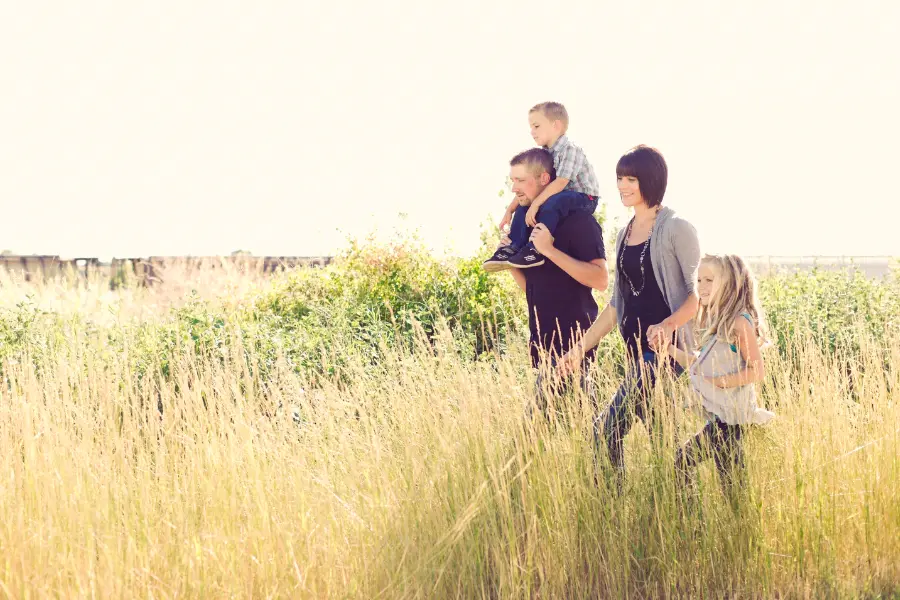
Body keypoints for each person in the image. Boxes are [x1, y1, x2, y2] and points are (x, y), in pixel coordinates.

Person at [557, 144, 701, 484]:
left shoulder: (677, 228)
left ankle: (612, 506)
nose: (622, 185)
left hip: (667, 353)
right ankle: (683, 519)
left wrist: (667, 325)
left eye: (631, 178)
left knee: (605, 431)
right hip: (636, 352)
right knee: (665, 445)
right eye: (620, 178)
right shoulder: (623, 233)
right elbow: (617, 304)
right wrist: (579, 349)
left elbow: (700, 296)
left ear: (651, 180)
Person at [497, 147, 608, 415]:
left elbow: (601, 279)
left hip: (573, 347)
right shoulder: (527, 228)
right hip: (543, 347)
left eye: (521, 180)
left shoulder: (579, 222)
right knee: (582, 434)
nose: (514, 189)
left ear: (545, 179)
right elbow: (534, 289)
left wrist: (549, 250)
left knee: (530, 439)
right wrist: (510, 261)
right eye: (512, 181)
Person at [659, 254, 775, 496]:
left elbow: (757, 370)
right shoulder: (717, 323)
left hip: (732, 422)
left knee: (684, 460)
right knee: (732, 487)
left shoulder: (739, 322)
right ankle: (733, 525)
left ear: (729, 283)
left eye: (709, 280)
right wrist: (667, 349)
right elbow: (698, 364)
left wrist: (720, 383)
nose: (701, 286)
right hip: (720, 418)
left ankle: (690, 522)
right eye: (699, 280)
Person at [483, 102, 601, 271]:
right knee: (526, 205)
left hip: (584, 198)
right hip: (559, 197)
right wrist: (510, 210)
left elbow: (560, 183)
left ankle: (535, 248)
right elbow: (536, 189)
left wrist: (537, 204)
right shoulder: (546, 154)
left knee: (553, 201)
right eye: (531, 127)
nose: (532, 132)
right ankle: (512, 246)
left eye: (536, 126)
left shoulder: (570, 150)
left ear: (556, 125)